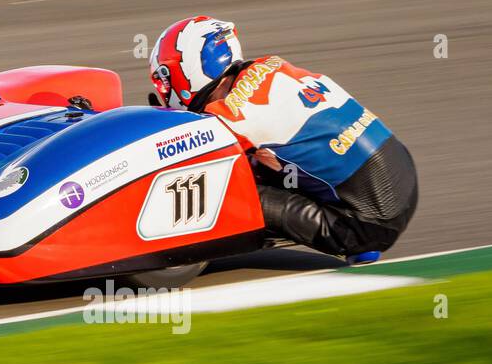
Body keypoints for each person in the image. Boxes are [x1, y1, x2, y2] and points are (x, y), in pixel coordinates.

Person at [148, 16, 418, 260]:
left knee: (224, 188)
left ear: (191, 67)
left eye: (165, 76)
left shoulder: (229, 114)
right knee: (272, 157)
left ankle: (358, 243)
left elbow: (177, 155)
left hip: (371, 222)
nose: (163, 88)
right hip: (403, 170)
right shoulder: (270, 64)